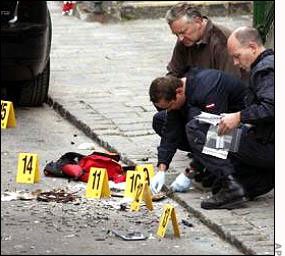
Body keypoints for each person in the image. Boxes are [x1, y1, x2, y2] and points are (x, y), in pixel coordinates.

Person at [187, 26, 274, 210]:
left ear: (252, 47)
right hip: (267, 143)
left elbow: (272, 107)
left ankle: (231, 187)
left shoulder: (266, 69)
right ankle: (239, 184)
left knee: (198, 127)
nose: (235, 62)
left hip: (270, 147)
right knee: (225, 184)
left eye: (237, 56)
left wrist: (239, 117)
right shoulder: (267, 65)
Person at [149, 68, 246, 194]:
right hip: (216, 125)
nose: (170, 109)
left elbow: (216, 133)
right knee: (161, 119)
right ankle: (203, 161)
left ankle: (219, 169)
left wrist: (189, 172)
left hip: (240, 128)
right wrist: (162, 168)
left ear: (178, 92)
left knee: (194, 125)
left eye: (170, 105)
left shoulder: (208, 89)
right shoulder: (179, 93)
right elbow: (170, 133)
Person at [165, 2, 242, 79]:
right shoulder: (184, 39)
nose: (180, 38)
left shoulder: (222, 41)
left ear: (198, 22)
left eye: (183, 32)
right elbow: (174, 73)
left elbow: (231, 83)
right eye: (176, 34)